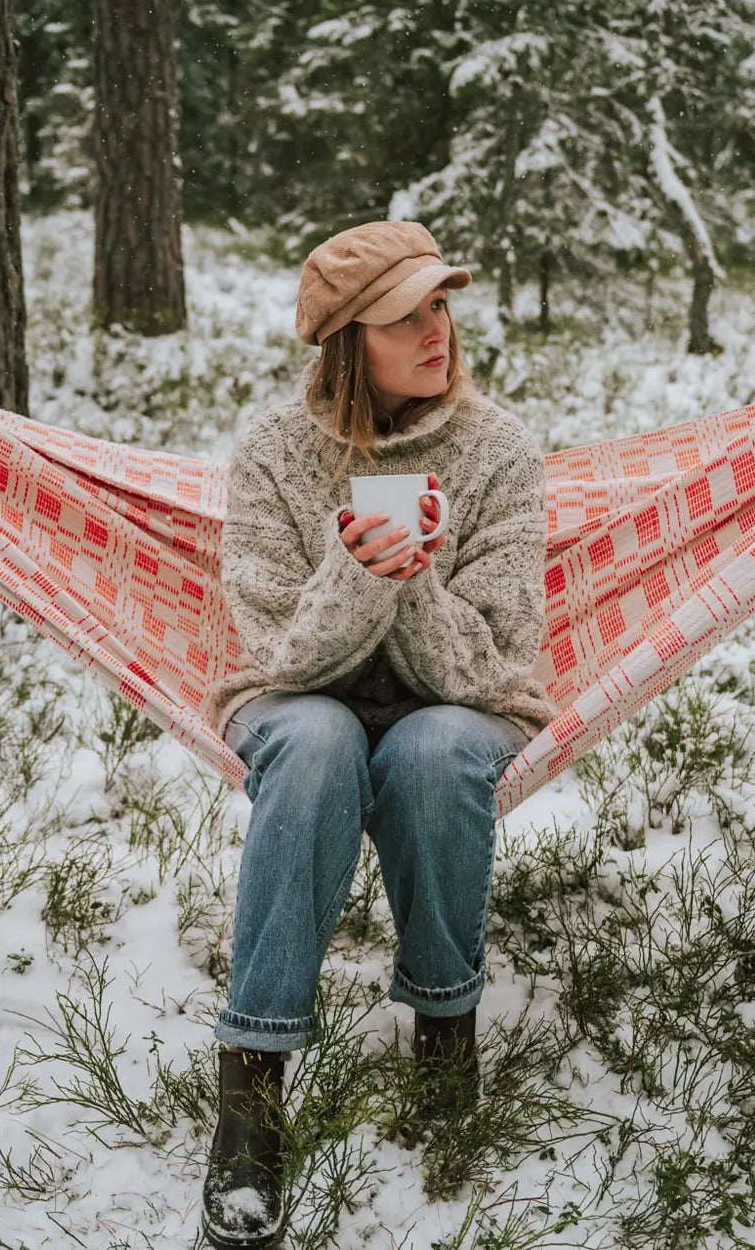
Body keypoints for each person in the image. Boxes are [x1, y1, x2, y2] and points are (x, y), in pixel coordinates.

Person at [196, 221, 557, 1248]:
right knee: (314, 740)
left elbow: (488, 661)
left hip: (451, 703)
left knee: (432, 748)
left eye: (440, 304)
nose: (435, 330)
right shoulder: (274, 451)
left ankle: (445, 1027)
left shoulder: (498, 450)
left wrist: (413, 577)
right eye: (406, 315)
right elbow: (285, 656)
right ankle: (250, 1099)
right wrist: (362, 566)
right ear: (350, 340)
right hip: (300, 696)